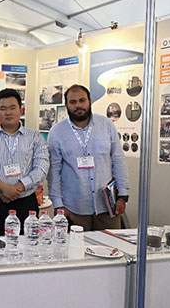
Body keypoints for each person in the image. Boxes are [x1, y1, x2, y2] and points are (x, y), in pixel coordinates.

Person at [47, 84, 130, 231]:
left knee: (111, 243)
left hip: (107, 207)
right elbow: (54, 172)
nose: (78, 105)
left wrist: (122, 195)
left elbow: (118, 161)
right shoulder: (57, 132)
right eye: (73, 102)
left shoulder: (106, 125)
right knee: (75, 246)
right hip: (74, 208)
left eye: (82, 100)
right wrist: (58, 204)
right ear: (66, 105)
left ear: (89, 101)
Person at [0, 88, 49, 234]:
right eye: (3, 109)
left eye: (12, 108)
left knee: (27, 243)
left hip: (26, 202)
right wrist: (3, 187)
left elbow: (42, 166)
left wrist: (19, 187)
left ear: (21, 110)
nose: (8, 112)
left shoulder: (35, 137)